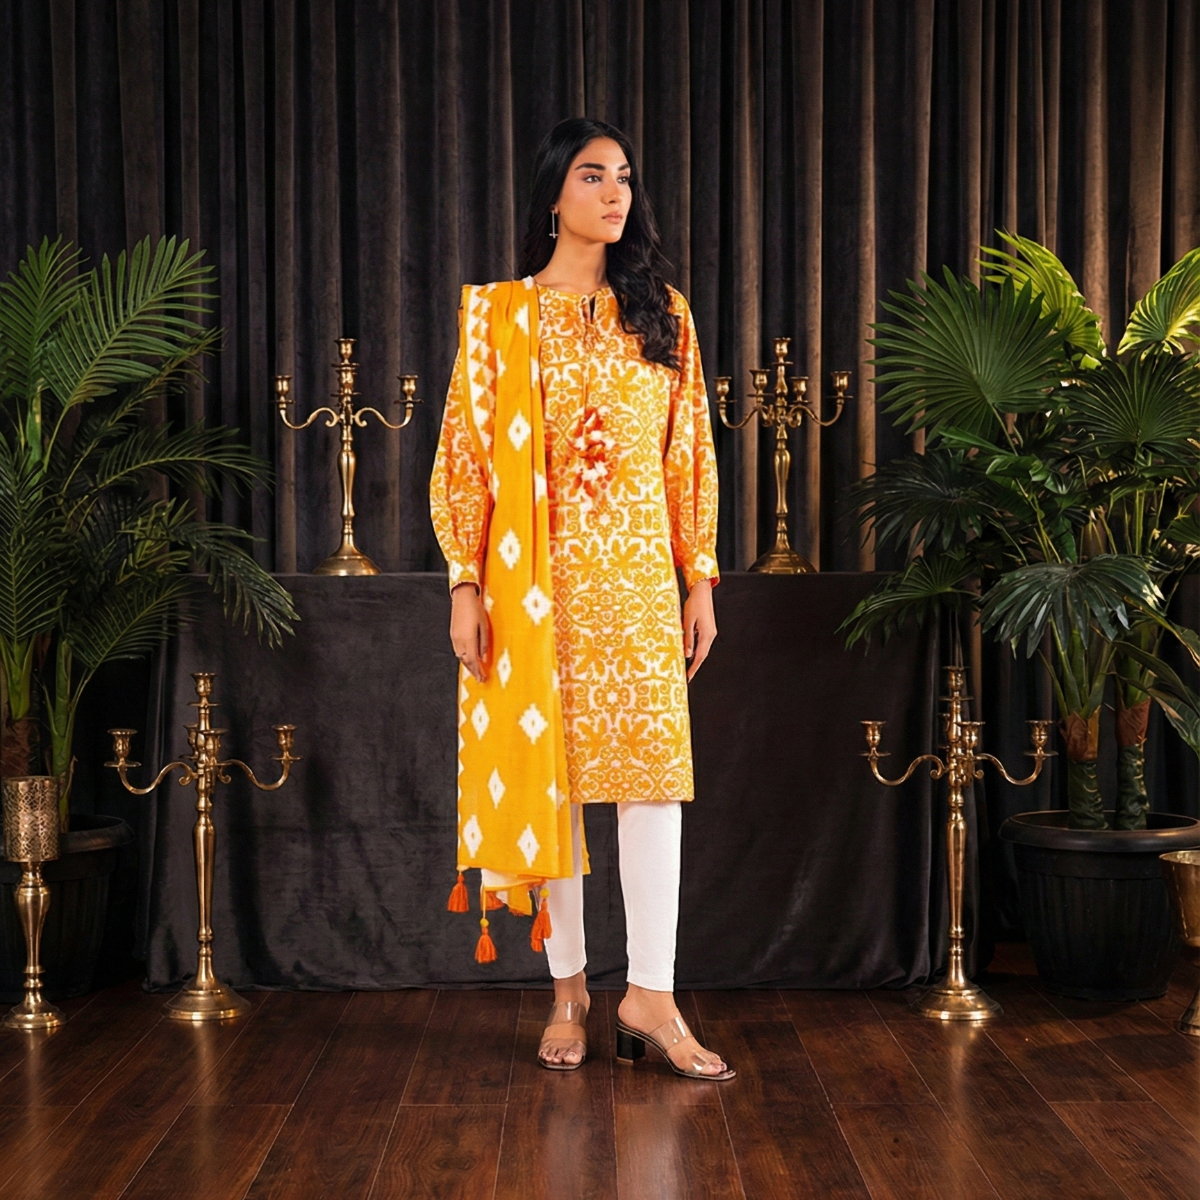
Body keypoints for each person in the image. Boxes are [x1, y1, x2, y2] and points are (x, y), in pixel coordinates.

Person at [430, 117, 731, 1080]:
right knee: (548, 786)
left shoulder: (663, 313)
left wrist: (701, 577)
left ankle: (652, 993)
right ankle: (568, 992)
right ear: (553, 193)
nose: (616, 194)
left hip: (640, 584)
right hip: (537, 587)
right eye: (593, 176)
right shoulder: (503, 319)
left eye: (626, 178)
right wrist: (465, 583)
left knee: (652, 787)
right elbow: (465, 461)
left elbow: (689, 455)